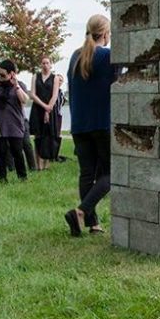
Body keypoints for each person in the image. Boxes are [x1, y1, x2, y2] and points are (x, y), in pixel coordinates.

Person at [64, 14, 113, 236]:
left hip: (79, 125)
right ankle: (82, 212)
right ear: (105, 33)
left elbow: (72, 93)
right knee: (112, 174)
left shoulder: (75, 56)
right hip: (101, 123)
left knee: (87, 174)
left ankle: (93, 224)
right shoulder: (106, 56)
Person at [0, 59, 30, 183]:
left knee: (17, 152)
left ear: (12, 73)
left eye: (3, 75)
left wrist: (16, 86)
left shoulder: (19, 85)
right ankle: (2, 178)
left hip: (15, 124)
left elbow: (24, 100)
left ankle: (22, 177)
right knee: (1, 153)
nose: (0, 77)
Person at [29, 55, 64, 170]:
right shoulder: (35, 77)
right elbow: (33, 94)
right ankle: (38, 165)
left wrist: (48, 109)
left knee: (48, 136)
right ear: (41, 64)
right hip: (37, 109)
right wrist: (44, 106)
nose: (45, 65)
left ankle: (46, 164)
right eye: (43, 63)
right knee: (38, 137)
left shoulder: (55, 78)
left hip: (50, 109)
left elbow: (55, 95)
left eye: (47, 63)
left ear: (51, 64)